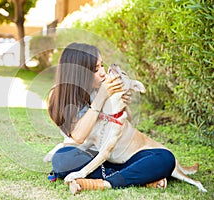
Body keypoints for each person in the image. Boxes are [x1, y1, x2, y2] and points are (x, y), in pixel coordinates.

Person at [47, 42, 175, 193]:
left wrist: (123, 102)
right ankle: (135, 177)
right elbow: (78, 137)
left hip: (115, 156)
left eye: (101, 66)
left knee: (165, 157)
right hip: (85, 156)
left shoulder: (104, 86)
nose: (103, 72)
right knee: (61, 159)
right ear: (79, 73)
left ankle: (104, 182)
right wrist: (101, 96)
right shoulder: (59, 96)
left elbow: (127, 122)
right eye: (95, 69)